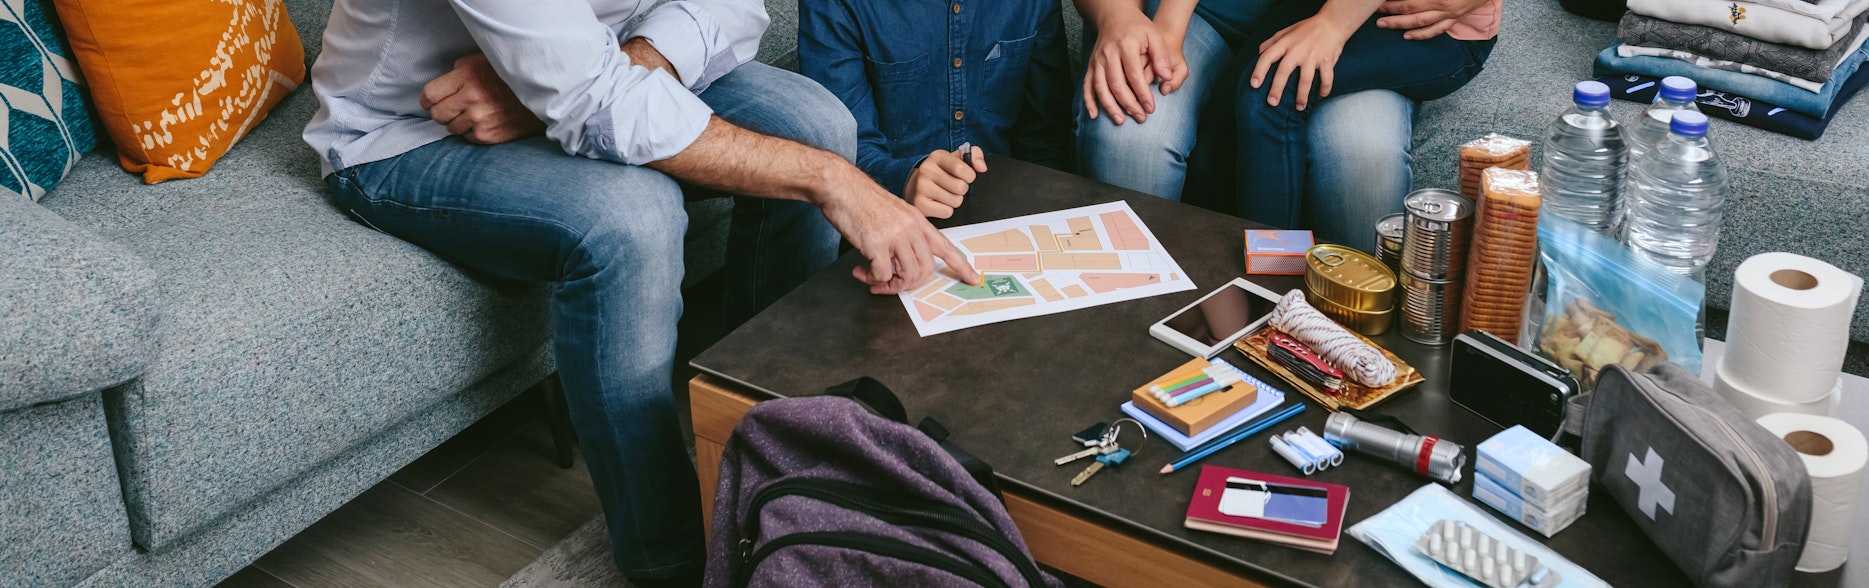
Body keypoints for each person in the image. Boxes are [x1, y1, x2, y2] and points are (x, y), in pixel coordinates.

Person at [302, 0, 976, 584]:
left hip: (594, 69)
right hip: (405, 134)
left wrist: (595, 71)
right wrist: (836, 182)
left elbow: (736, 9)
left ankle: (775, 459)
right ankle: (669, 556)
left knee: (817, 125)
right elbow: (591, 103)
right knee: (634, 219)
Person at [1233, 0, 1500, 246]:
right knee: (1223, 129)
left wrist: (1333, 25)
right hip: (1322, 9)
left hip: (1434, 26)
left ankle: (1273, 287)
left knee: (1272, 90)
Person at [798, 0, 1074, 219]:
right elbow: (842, 149)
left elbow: (1045, 136)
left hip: (1013, 213)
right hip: (889, 220)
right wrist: (905, 178)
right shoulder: (835, 4)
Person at [1073, 0, 1282, 202]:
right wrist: (1116, 16)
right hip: (1186, 14)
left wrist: (1317, 25)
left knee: (1316, 146)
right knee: (1132, 139)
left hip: (1303, 21)